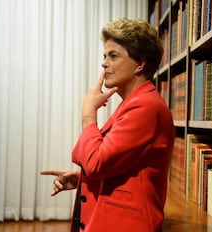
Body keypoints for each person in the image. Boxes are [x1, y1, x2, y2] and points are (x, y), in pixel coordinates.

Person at [40, 18, 175, 232]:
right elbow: (121, 165)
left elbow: (97, 162)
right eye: (105, 56)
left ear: (140, 63)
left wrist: (88, 115)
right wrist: (81, 178)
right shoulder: (135, 103)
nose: (104, 63)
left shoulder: (145, 107)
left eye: (113, 56)